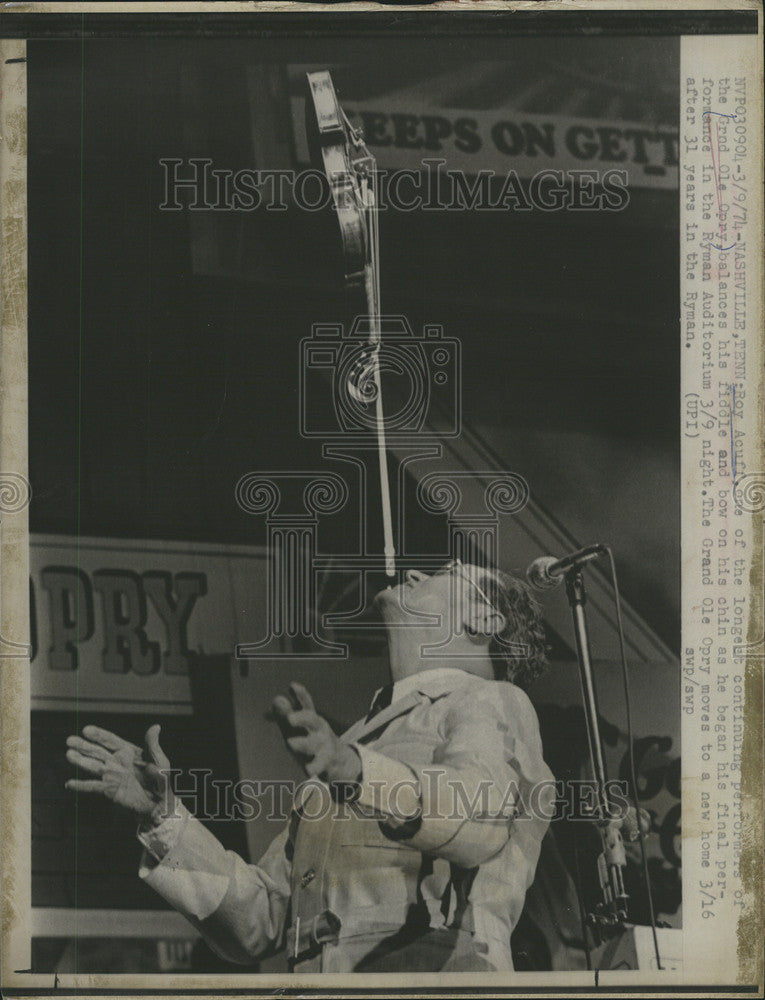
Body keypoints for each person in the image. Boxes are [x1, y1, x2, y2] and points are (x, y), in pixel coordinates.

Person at [65, 559, 554, 973]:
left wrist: (354, 771)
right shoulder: (355, 742)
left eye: (446, 572)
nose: (412, 571)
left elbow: (479, 817)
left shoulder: (492, 700)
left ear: (485, 620)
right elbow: (260, 921)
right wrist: (164, 820)